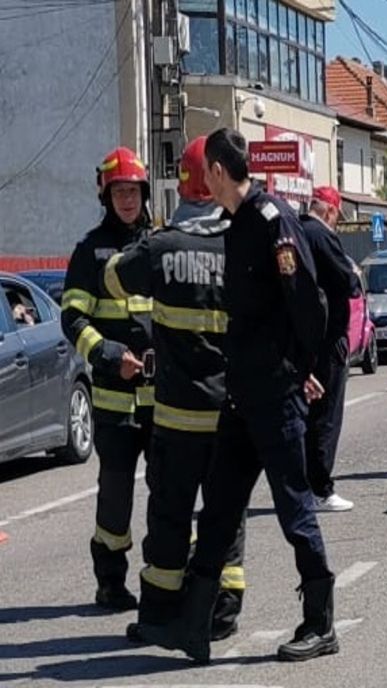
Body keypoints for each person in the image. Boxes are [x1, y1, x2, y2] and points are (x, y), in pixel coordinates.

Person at [138, 128, 335, 664]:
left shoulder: (272, 221)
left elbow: (309, 303)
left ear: (219, 172)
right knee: (219, 509)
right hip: (241, 396)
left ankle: (320, 621)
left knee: (294, 509)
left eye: (206, 172)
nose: (202, 181)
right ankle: (193, 624)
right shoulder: (237, 224)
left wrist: (303, 370)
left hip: (274, 396)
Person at [102, 136, 246, 643]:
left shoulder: (162, 246)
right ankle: (222, 614)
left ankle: (161, 616)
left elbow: (113, 279)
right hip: (229, 415)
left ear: (183, 185)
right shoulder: (241, 244)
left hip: (176, 416)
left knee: (170, 517)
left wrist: (156, 239)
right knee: (226, 516)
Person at [61, 146, 155, 611]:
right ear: (106, 196)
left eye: (133, 191)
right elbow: (73, 319)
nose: (127, 200)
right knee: (115, 495)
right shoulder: (89, 251)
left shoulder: (160, 244)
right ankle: (111, 581)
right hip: (115, 398)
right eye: (119, 192)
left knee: (170, 489)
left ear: (144, 193)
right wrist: (109, 355)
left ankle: (166, 578)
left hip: (163, 397)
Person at [300, 185, 356, 513]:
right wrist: (354, 274)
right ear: (331, 211)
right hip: (328, 339)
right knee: (327, 416)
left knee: (305, 417)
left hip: (301, 340)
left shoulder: (294, 232)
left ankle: (304, 485)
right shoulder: (323, 236)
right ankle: (321, 488)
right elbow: (348, 282)